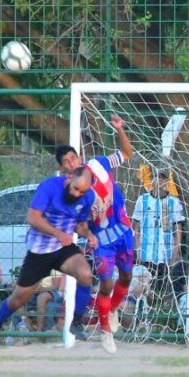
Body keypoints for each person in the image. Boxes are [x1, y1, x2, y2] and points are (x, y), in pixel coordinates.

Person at [0, 167, 97, 351]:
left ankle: (76, 323)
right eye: (76, 188)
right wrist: (57, 233)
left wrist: (89, 234)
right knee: (18, 299)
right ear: (69, 178)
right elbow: (32, 218)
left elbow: (80, 226)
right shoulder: (49, 186)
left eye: (82, 191)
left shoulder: (88, 197)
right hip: (39, 252)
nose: (78, 194)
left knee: (85, 274)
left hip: (63, 248)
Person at [56, 114, 137, 353]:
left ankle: (112, 310)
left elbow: (126, 153)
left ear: (79, 158)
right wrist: (85, 233)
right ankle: (104, 331)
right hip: (101, 241)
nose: (71, 163)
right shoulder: (70, 194)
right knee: (106, 283)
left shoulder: (99, 164)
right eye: (66, 162)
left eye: (73, 158)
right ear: (63, 169)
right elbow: (77, 224)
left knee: (127, 278)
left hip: (123, 230)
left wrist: (120, 129)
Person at [132, 168, 187, 304]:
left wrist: (175, 255)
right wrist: (137, 252)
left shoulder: (174, 202)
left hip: (165, 256)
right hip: (146, 255)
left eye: (164, 178)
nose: (161, 181)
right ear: (153, 179)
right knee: (145, 291)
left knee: (162, 291)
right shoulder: (142, 200)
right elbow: (136, 229)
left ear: (168, 180)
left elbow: (178, 231)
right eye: (158, 177)